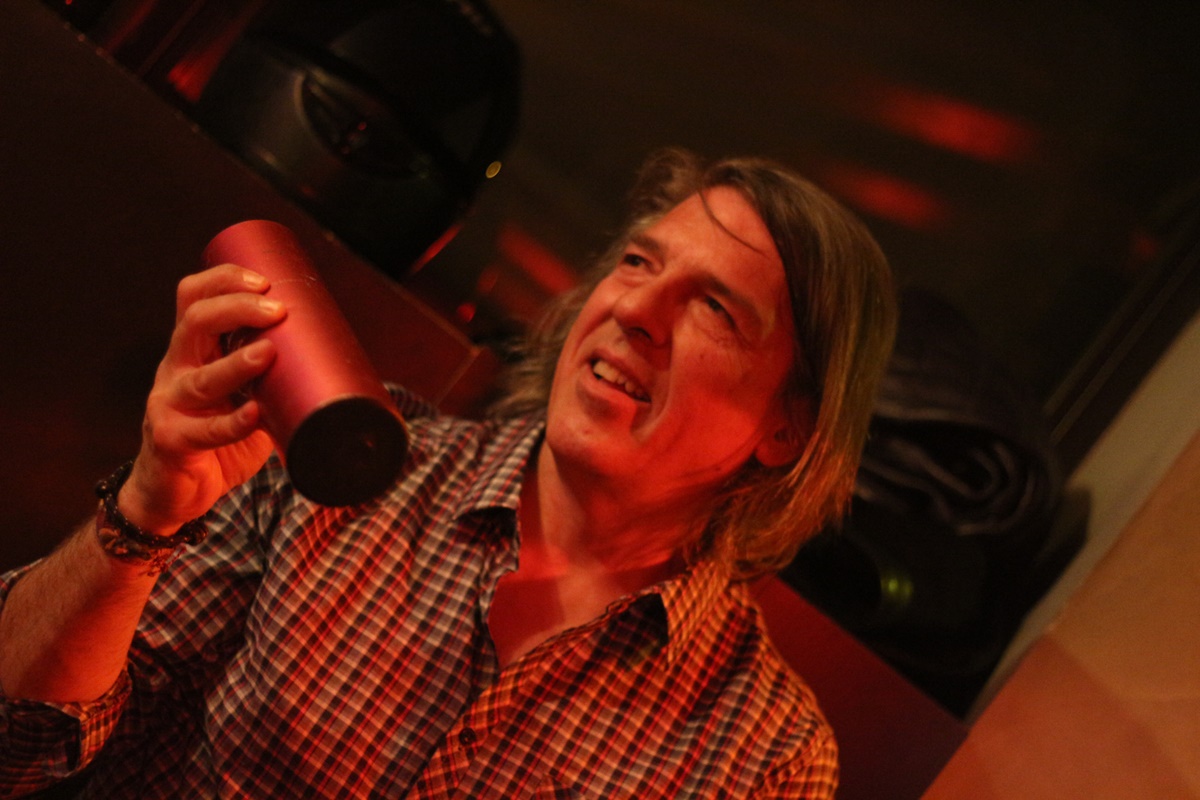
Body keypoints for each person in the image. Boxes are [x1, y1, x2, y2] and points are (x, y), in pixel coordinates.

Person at [0, 148, 896, 798]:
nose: (637, 310)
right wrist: (144, 516)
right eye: (637, 262)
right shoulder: (338, 470)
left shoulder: (762, 754)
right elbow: (16, 750)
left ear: (787, 429)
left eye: (715, 309)